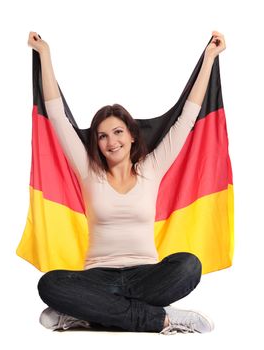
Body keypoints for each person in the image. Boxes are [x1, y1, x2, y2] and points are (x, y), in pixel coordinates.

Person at [27, 31, 226, 335]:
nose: (111, 141)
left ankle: (89, 313)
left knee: (189, 265)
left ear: (132, 136)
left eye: (118, 132)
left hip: (146, 276)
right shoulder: (88, 171)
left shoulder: (152, 168)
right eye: (103, 135)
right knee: (50, 284)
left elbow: (187, 117)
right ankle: (162, 320)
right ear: (96, 142)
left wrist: (210, 58)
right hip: (97, 277)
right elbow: (56, 114)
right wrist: (45, 53)